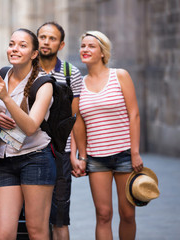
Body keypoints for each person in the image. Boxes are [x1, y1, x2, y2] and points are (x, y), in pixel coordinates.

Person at [75, 30, 143, 240]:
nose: (85, 50)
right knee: (103, 215)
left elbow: (134, 114)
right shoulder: (79, 84)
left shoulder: (120, 75)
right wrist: (82, 155)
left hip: (124, 155)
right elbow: (78, 122)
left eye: (91, 46)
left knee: (128, 214)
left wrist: (135, 152)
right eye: (83, 46)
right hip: (97, 159)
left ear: (102, 52)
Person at [0, 28, 56, 240]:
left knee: (36, 231)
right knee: (3, 234)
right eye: (11, 44)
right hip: (5, 160)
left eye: (22, 45)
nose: (14, 49)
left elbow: (30, 127)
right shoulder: (2, 74)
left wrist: (6, 98)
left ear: (34, 53)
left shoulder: (43, 83)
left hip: (36, 158)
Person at [36, 21, 85, 240]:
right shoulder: (25, 69)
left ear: (61, 44)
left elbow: (74, 119)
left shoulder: (70, 73)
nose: (46, 42)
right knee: (33, 219)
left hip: (61, 153)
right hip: (31, 151)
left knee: (60, 217)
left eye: (52, 38)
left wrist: (76, 155)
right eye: (42, 37)